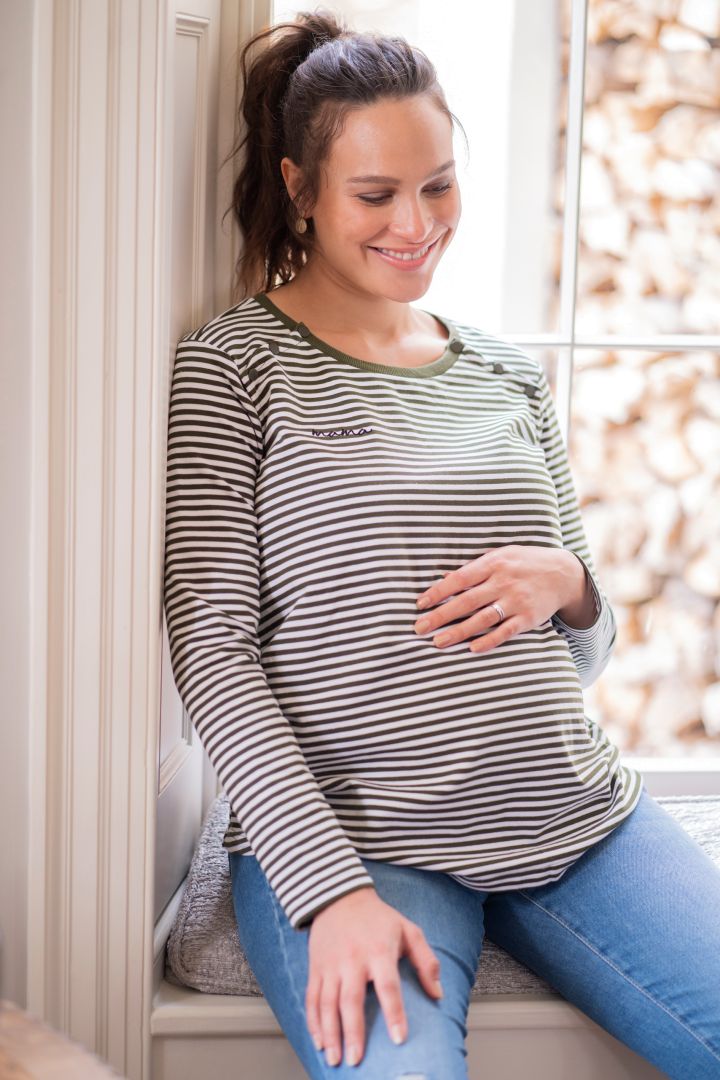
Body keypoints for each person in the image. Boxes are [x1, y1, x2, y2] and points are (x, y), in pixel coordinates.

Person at [162, 9, 720, 1078]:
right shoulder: (234, 366)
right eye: (375, 195)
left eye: (439, 184)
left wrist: (571, 587)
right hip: (372, 845)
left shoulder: (507, 373)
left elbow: (579, 657)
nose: (415, 223)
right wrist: (329, 890)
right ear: (300, 187)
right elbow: (214, 651)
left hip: (577, 818)